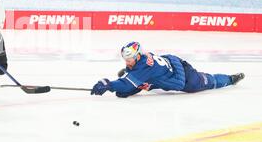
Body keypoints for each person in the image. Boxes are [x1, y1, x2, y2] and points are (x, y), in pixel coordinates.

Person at [91, 41, 245, 98]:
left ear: (138, 56)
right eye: (125, 59)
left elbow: (126, 84)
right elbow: (123, 91)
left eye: (130, 59)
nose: (127, 62)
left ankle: (231, 79)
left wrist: (108, 83)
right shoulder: (142, 58)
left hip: (185, 77)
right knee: (124, 91)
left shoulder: (144, 67)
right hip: (171, 69)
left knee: (208, 81)